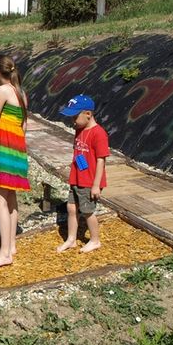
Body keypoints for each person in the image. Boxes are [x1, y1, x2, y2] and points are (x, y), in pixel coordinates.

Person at [0, 54, 31, 268]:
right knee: (10, 199)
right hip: (17, 149)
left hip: (4, 148)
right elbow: (24, 125)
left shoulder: (2, 90)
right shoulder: (21, 93)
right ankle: (10, 246)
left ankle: (4, 254)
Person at [57, 95, 110, 253]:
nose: (73, 121)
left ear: (88, 114)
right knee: (71, 208)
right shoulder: (79, 130)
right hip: (77, 177)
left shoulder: (99, 133)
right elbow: (79, 152)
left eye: (75, 116)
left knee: (87, 211)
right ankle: (71, 239)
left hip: (89, 180)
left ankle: (95, 240)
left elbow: (101, 160)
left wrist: (96, 185)